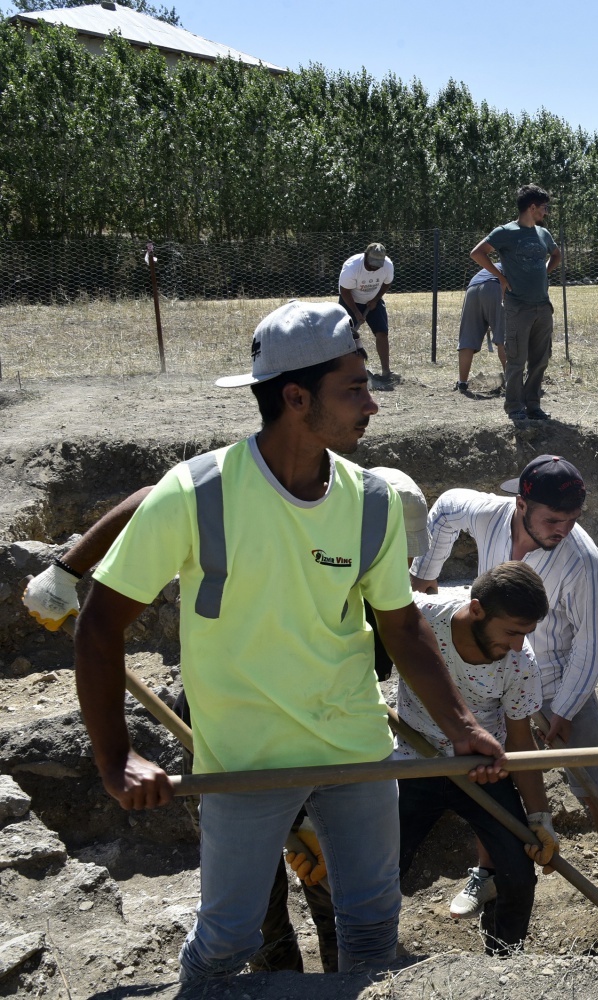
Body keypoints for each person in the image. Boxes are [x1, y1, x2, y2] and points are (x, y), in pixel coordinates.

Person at [72, 300, 508, 981]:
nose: (372, 404)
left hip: (356, 752)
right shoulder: (198, 494)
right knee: (225, 942)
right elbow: (99, 622)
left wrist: (461, 726)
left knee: (371, 929)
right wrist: (114, 758)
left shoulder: (371, 502)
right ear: (296, 396)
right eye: (355, 389)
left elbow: (400, 624)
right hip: (246, 762)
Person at [23, 463, 432, 975]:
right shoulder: (301, 526)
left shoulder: (380, 585)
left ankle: (337, 985)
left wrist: (316, 824)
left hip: (328, 740)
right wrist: (65, 571)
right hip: (233, 721)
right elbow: (153, 495)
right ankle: (274, 981)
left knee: (339, 898)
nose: (407, 565)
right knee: (254, 908)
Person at [409, 455, 598, 940]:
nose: (562, 529)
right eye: (553, 519)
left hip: (556, 678)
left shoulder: (582, 561)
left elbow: (590, 645)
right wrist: (426, 573)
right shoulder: (489, 513)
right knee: (490, 775)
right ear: (521, 503)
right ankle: (487, 875)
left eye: (571, 520)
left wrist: (566, 710)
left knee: (595, 783)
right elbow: (445, 508)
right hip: (492, 669)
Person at [395, 562, 558, 955]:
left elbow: (520, 740)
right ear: (478, 609)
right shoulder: (421, 619)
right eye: (513, 632)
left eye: (527, 634)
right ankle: (371, 950)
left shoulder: (519, 662)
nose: (519, 644)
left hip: (482, 768)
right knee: (382, 864)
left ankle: (503, 957)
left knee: (518, 875)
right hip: (415, 760)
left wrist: (539, 819)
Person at [469, 185, 561, 422]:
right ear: (532, 207)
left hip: (543, 306)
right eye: (543, 208)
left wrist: (544, 272)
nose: (546, 212)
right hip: (518, 306)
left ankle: (533, 406)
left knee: (540, 360)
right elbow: (477, 253)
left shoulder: (543, 234)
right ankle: (514, 407)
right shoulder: (505, 232)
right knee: (516, 359)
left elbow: (557, 255)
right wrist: (500, 277)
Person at [338, 242, 397, 386]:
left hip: (373, 300)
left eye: (378, 264)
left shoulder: (387, 265)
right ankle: (342, 371)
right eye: (372, 264)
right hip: (350, 300)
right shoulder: (351, 268)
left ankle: (386, 371)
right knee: (345, 335)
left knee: (382, 332)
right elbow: (344, 291)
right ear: (365, 256)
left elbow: (387, 283)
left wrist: (376, 300)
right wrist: (357, 312)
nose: (375, 267)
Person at [454, 266, 506, 395]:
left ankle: (462, 383)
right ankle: (513, 383)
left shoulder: (495, 265)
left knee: (467, 337)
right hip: (496, 287)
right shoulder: (519, 265)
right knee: (504, 337)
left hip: (473, 288)